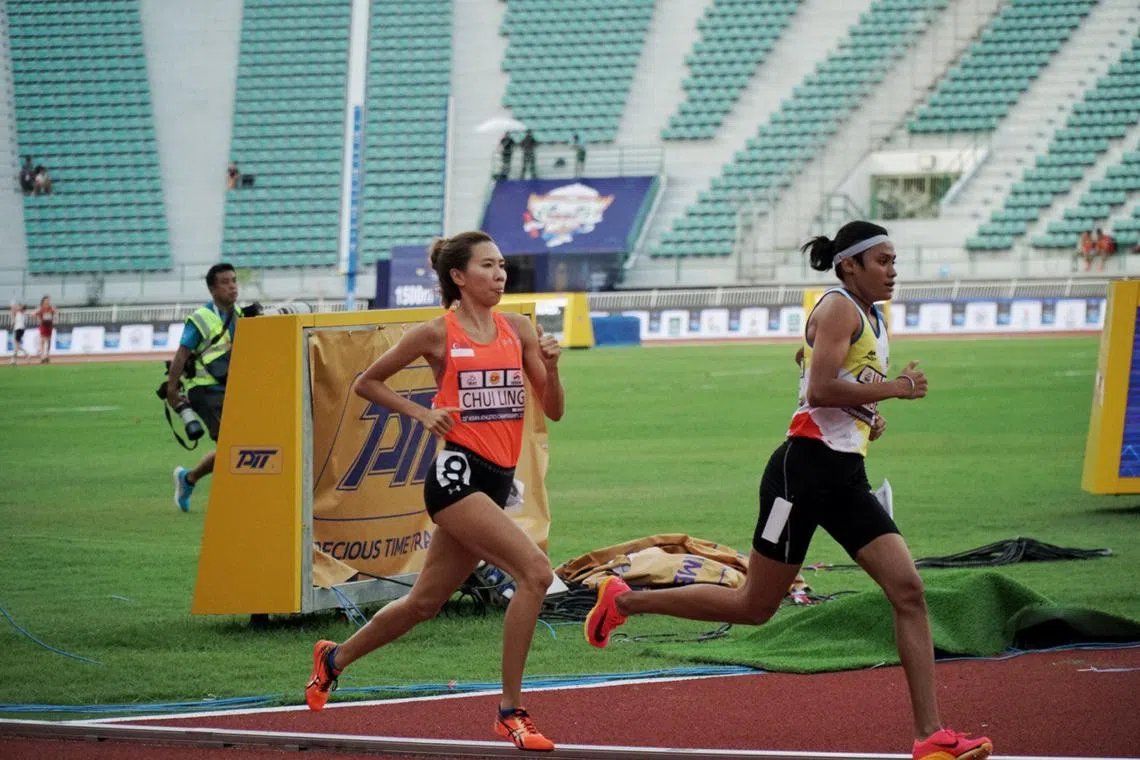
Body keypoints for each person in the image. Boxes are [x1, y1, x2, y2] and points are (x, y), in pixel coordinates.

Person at [584, 221, 993, 760]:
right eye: (884, 261)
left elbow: (817, 379)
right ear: (850, 265)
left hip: (844, 478)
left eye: (895, 261)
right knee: (755, 606)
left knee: (908, 592)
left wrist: (865, 410)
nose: (894, 271)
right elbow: (820, 386)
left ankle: (930, 736)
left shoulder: (867, 315)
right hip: (799, 477)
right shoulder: (841, 307)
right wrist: (892, 390)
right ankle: (626, 601)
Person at [304, 231, 566, 752]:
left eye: (502, 266)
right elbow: (367, 382)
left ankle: (332, 660)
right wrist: (423, 413)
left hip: (494, 481)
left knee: (423, 603)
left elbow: (553, 409)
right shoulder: (436, 334)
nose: (500, 274)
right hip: (455, 479)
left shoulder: (518, 329)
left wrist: (553, 367)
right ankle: (510, 711)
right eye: (488, 266)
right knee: (535, 573)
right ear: (458, 277)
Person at [166, 263, 242, 512]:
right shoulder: (200, 317)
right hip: (205, 390)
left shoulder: (240, 314)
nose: (232, 286)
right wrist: (172, 388)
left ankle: (188, 478)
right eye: (225, 282)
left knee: (239, 445)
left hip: (231, 389)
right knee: (235, 445)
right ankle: (235, 502)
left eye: (234, 280)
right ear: (212, 289)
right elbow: (182, 352)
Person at [34, 295, 57, 363]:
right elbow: (33, 314)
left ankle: (47, 355)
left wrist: (55, 316)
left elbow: (57, 312)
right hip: (43, 325)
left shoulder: (51, 308)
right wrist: (38, 318)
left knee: (49, 341)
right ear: (43, 301)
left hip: (49, 326)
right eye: (46, 300)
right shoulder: (41, 308)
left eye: (48, 300)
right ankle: (42, 357)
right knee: (42, 341)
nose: (47, 302)